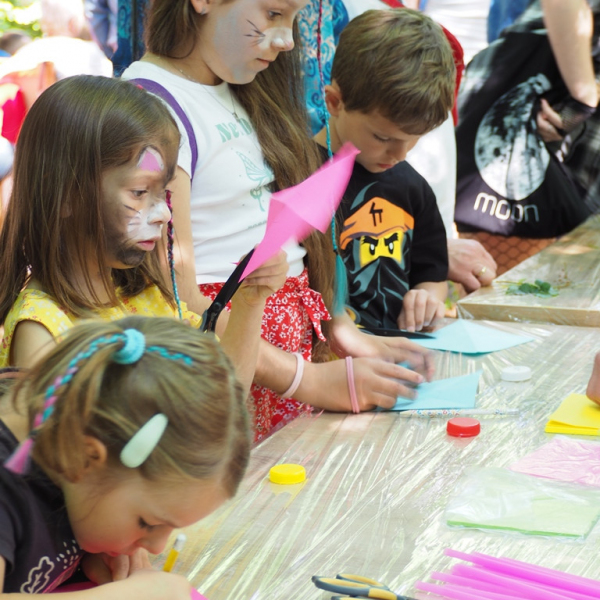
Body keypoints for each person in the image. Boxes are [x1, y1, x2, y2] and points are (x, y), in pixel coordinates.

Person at [121, 0, 434, 442]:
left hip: (282, 365)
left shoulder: (235, 85)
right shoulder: (154, 108)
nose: (288, 41)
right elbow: (175, 293)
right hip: (233, 370)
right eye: (273, 14)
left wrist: (337, 327)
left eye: (295, 18)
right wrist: (306, 380)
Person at [0, 75, 288, 398]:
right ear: (65, 195)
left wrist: (250, 302)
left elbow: (222, 399)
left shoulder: (147, 296)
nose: (163, 213)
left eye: (163, 193)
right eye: (139, 192)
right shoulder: (42, 333)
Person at [0, 315, 251, 595]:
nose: (157, 548)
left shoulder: (72, 449)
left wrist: (88, 559)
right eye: (148, 523)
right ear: (85, 457)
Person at [315, 8, 453, 332]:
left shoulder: (411, 188)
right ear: (334, 102)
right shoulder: (299, 175)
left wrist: (427, 298)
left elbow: (432, 276)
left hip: (397, 350)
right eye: (383, 137)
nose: (400, 155)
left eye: (413, 139)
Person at [455, 0, 600, 274]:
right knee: (512, 284)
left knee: (566, 281)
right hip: (548, 102)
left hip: (568, 115)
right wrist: (583, 100)